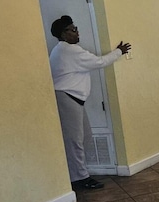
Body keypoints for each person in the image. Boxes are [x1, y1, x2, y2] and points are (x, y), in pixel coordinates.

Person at [49, 17, 131, 191]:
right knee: (75, 141)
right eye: (72, 29)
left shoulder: (66, 50)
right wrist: (118, 52)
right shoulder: (68, 50)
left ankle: (79, 174)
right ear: (63, 34)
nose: (77, 31)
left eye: (76, 27)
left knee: (84, 138)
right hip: (66, 97)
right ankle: (79, 178)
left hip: (73, 99)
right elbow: (99, 62)